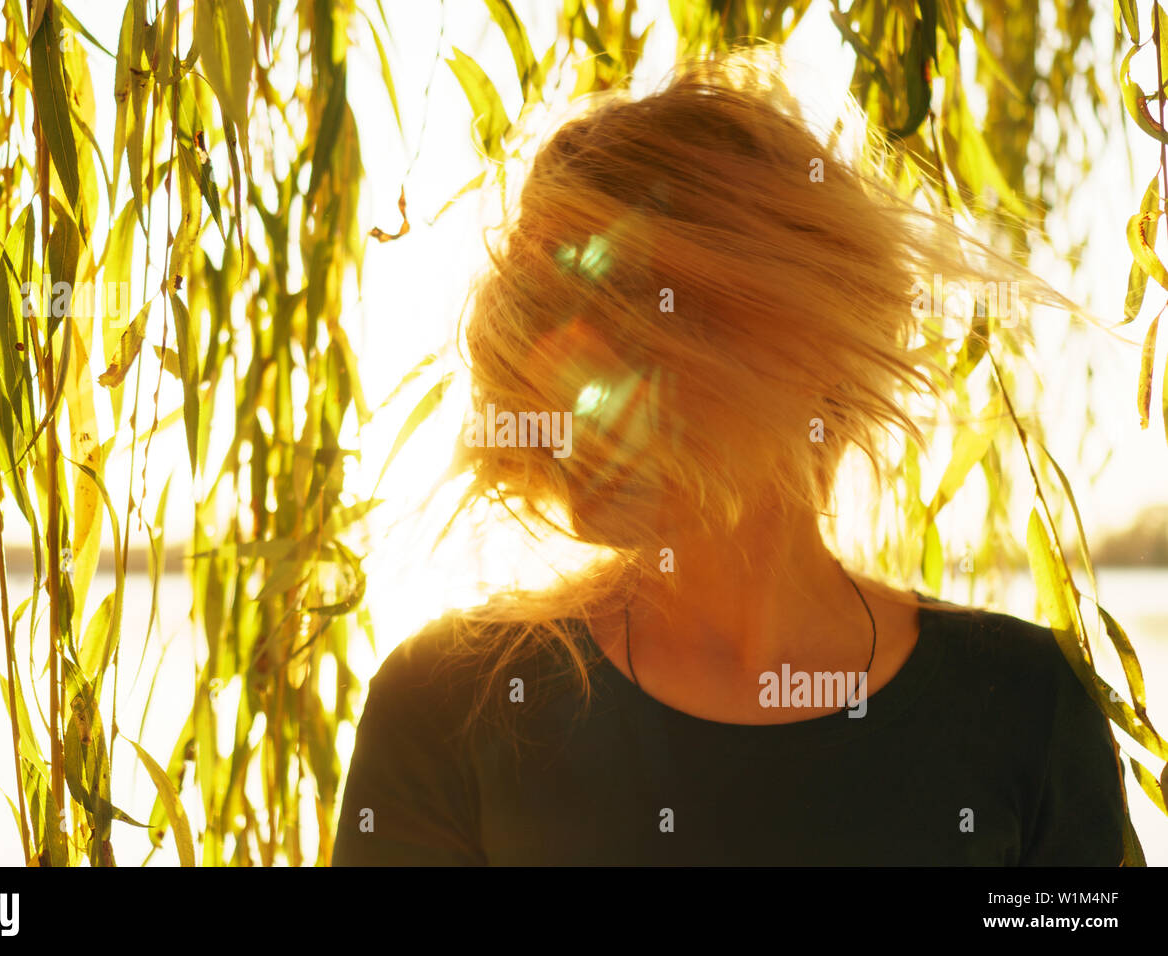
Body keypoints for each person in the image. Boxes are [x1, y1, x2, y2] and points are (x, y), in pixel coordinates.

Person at [332, 52, 1127, 865]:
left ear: (810, 335)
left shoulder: (1025, 709)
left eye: (625, 323)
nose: (559, 386)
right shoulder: (448, 708)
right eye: (538, 326)